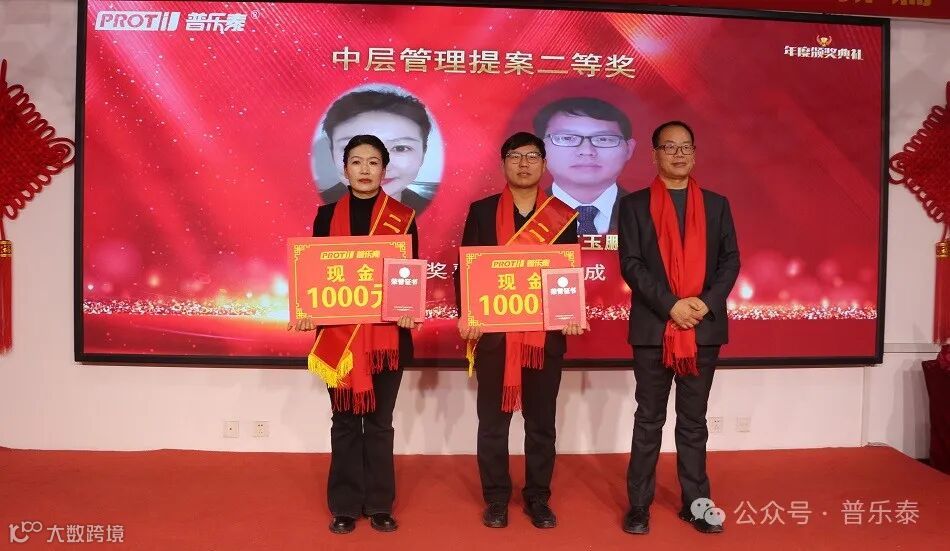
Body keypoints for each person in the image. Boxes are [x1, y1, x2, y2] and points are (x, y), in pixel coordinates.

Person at [455, 132, 584, 530]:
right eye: (515, 156)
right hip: (494, 336)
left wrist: (572, 312)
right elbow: (467, 268)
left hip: (544, 338)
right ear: (503, 164)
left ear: (544, 164)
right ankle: (496, 498)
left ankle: (537, 497)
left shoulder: (562, 214)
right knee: (493, 424)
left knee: (541, 424)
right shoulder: (482, 212)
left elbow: (568, 273)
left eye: (532, 156)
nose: (524, 163)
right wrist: (467, 313)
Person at [292, 134, 420, 535]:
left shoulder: (403, 217)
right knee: (345, 421)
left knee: (380, 423)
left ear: (384, 170)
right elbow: (313, 272)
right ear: (344, 169)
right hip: (339, 338)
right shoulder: (326, 216)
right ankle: (345, 506)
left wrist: (408, 310)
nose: (365, 170)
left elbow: (409, 272)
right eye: (357, 162)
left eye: (373, 162)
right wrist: (306, 309)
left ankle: (380, 504)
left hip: (387, 339)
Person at [617, 121, 739, 535]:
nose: (679, 154)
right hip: (653, 329)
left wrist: (703, 304)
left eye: (686, 146)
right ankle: (639, 506)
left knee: (693, 422)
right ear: (654, 154)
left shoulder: (717, 205)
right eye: (669, 147)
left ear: (695, 153)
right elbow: (631, 264)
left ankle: (696, 504)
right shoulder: (634, 205)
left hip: (702, 328)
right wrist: (672, 305)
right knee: (648, 420)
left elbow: (730, 261)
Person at [317, 89, 435, 213]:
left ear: (423, 153)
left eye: (400, 148)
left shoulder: (439, 215)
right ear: (332, 152)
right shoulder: (309, 211)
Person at [533, 97, 635, 235]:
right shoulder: (521, 214)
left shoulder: (648, 213)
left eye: (603, 139)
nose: (587, 151)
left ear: (628, 149)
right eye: (567, 138)